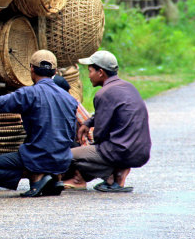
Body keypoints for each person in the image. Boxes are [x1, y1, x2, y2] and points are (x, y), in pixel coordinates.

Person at [0, 50, 78, 197]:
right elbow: (71, 135)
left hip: (37, 157)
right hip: (63, 161)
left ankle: (36, 175)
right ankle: (52, 177)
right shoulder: (70, 99)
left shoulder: (29, 93)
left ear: (31, 69)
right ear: (55, 72)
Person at [63, 50, 151, 193]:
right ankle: (117, 172)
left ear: (101, 72)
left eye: (90, 71)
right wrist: (88, 123)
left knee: (66, 156)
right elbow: (106, 114)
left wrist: (87, 146)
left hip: (120, 152)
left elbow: (100, 135)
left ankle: (111, 173)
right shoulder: (128, 87)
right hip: (141, 152)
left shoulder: (103, 94)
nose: (88, 76)